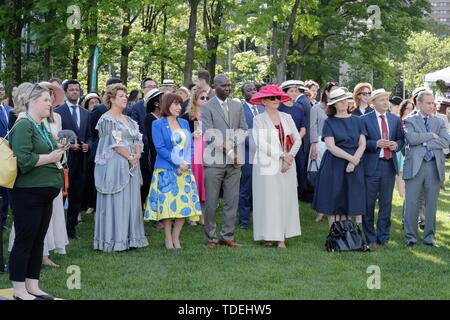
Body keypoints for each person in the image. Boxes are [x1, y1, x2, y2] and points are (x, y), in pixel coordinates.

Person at [9, 83, 67, 300]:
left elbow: (48, 153)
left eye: (50, 100)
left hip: (44, 193)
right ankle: (18, 289)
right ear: (31, 101)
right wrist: (50, 158)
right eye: (45, 100)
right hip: (28, 193)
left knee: (38, 240)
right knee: (25, 240)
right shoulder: (24, 124)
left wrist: (59, 150)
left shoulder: (40, 124)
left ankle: (32, 285)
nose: (50, 103)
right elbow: (23, 160)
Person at [94, 83, 149, 252]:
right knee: (117, 200)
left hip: (132, 164)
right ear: (111, 99)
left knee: (132, 201)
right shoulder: (106, 119)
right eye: (121, 96)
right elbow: (113, 143)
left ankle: (131, 238)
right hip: (115, 164)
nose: (125, 98)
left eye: (125, 96)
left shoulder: (130, 120)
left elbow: (137, 140)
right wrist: (129, 156)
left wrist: (137, 155)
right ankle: (114, 240)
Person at [144, 93, 202, 249]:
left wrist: (187, 162)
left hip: (184, 171)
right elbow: (160, 148)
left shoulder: (183, 123)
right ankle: (168, 239)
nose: (179, 107)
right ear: (167, 105)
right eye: (175, 104)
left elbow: (190, 146)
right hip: (166, 170)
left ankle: (176, 238)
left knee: (184, 207)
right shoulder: (158, 124)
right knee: (168, 208)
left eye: (180, 104)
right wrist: (179, 162)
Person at [250, 85, 302, 249]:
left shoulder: (287, 117)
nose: (276, 101)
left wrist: (289, 158)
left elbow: (297, 139)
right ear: (264, 101)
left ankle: (281, 238)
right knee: (268, 200)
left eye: (278, 98)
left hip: (288, 164)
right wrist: (282, 155)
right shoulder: (258, 119)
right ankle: (268, 236)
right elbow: (261, 143)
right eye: (272, 98)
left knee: (285, 199)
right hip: (266, 164)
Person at [201, 74, 247, 248]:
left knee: (231, 200)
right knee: (211, 201)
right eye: (223, 85)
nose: (227, 88)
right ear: (214, 86)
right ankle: (211, 237)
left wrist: (232, 143)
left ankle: (227, 236)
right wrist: (228, 150)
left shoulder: (237, 105)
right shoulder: (207, 107)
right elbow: (209, 133)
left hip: (234, 162)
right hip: (214, 162)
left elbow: (243, 129)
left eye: (229, 85)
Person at [312, 88, 367, 228]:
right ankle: (334, 236)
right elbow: (331, 146)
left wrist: (354, 162)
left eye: (344, 100)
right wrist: (351, 159)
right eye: (339, 101)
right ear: (333, 105)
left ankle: (348, 236)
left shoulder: (358, 120)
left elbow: (362, 144)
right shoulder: (329, 122)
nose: (343, 103)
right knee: (334, 199)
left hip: (354, 163)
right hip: (334, 164)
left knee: (350, 198)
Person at [403, 90, 449, 248]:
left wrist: (424, 142)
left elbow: (445, 142)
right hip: (415, 166)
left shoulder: (440, 121)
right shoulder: (409, 120)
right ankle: (410, 237)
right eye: (428, 103)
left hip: (434, 166)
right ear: (419, 103)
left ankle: (429, 238)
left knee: (431, 204)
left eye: (433, 103)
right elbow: (411, 138)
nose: (432, 106)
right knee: (412, 202)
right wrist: (431, 135)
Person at [361, 89, 404, 250]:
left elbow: (401, 139)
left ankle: (383, 237)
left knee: (386, 203)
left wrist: (396, 145)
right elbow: (361, 142)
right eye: (382, 100)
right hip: (371, 165)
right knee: (369, 203)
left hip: (388, 165)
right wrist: (375, 144)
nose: (386, 103)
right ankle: (370, 237)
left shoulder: (394, 119)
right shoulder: (364, 119)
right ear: (373, 103)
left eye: (387, 99)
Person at [54, 79, 92, 240]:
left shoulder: (86, 113)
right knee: (62, 195)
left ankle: (71, 229)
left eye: (77, 89)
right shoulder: (58, 112)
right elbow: (55, 135)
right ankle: (56, 228)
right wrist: (69, 145)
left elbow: (90, 136)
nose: (75, 92)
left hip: (81, 160)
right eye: (71, 90)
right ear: (66, 92)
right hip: (64, 159)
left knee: (76, 196)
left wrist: (88, 146)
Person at [309, 82, 338, 222]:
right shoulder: (316, 108)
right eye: (333, 90)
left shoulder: (336, 108)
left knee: (333, 177)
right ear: (326, 92)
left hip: (335, 144)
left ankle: (332, 208)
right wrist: (313, 145)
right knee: (321, 178)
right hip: (320, 144)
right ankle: (320, 210)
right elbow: (313, 127)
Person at [181, 89, 210, 225]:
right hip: (193, 154)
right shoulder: (188, 116)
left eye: (207, 98)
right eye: (202, 98)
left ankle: (202, 215)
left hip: (207, 153)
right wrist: (192, 135)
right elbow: (181, 137)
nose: (205, 100)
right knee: (194, 183)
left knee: (204, 184)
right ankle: (192, 215)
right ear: (195, 100)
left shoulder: (209, 115)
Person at [237, 83, 263, 229]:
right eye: (249, 90)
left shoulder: (262, 107)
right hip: (247, 153)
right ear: (243, 94)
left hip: (264, 153)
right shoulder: (240, 109)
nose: (252, 92)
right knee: (246, 188)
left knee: (261, 187)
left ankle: (260, 218)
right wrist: (254, 145)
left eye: (254, 89)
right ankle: (244, 221)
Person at [279, 81, 307, 198]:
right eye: (291, 91)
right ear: (285, 92)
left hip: (297, 145)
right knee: (285, 167)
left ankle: (297, 194)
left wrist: (296, 141)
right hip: (283, 145)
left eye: (296, 91)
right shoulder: (280, 107)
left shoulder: (299, 107)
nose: (294, 93)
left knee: (299, 168)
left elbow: (303, 128)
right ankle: (283, 193)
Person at [142, 88, 164, 208]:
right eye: (163, 99)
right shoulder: (149, 118)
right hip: (154, 156)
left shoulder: (166, 118)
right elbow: (153, 140)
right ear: (156, 103)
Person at [0, 83, 13, 230]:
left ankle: (3, 221)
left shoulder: (8, 110)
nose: (0, 91)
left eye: (2, 89)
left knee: (5, 188)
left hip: (8, 153)